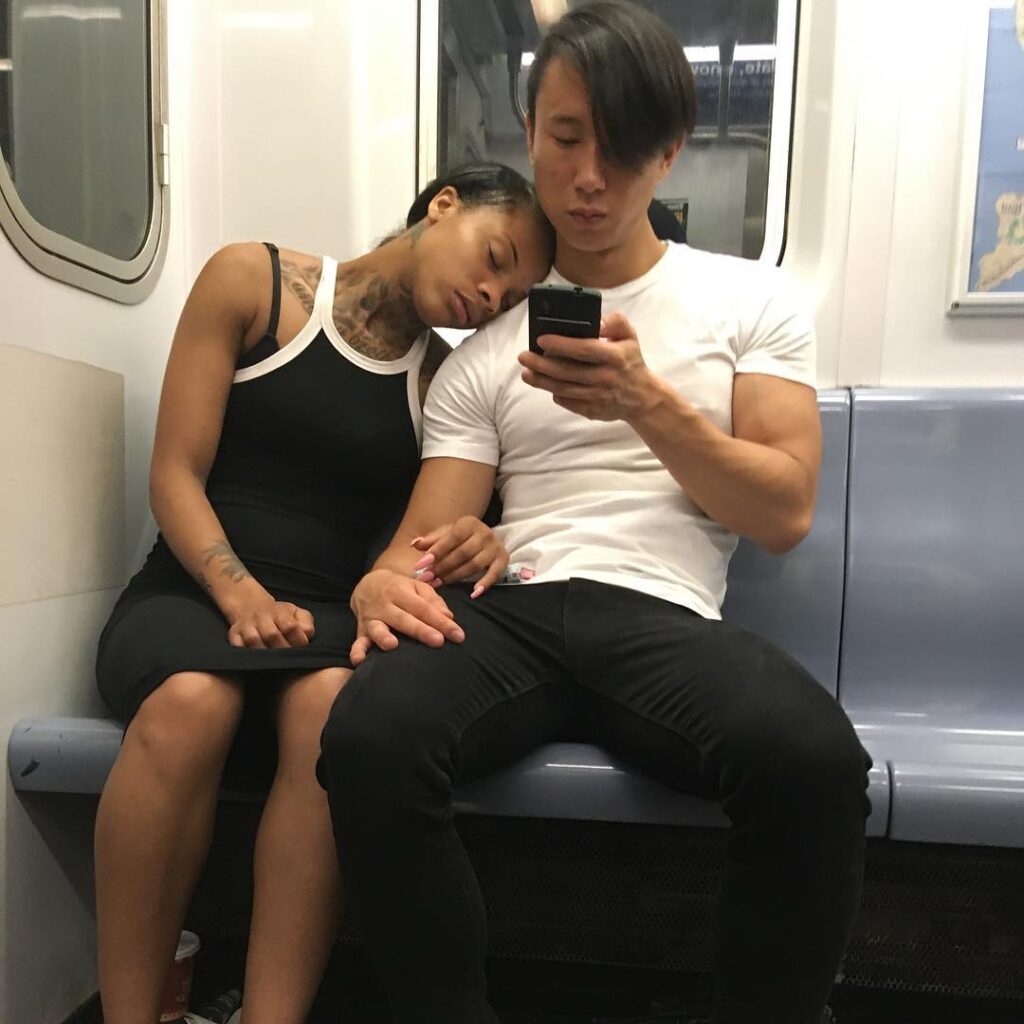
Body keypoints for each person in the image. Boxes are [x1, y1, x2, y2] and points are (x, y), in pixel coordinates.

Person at [318, 5, 872, 1024]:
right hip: (515, 606)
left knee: (818, 763)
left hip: (658, 614)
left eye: (620, 150)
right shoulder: (487, 346)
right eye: (566, 139)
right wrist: (382, 578)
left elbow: (784, 508)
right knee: (367, 736)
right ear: (528, 131)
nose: (586, 178)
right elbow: (421, 544)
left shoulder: (752, 301)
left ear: (667, 154)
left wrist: (646, 403)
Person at [93, 162, 554, 1024]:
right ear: (442, 205)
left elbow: (414, 546)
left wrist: (485, 535)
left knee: (331, 710)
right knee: (193, 701)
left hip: (328, 621)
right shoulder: (254, 282)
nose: (489, 295)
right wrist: (239, 596)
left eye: (510, 295)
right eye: (493, 258)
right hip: (192, 591)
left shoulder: (445, 382)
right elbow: (174, 475)